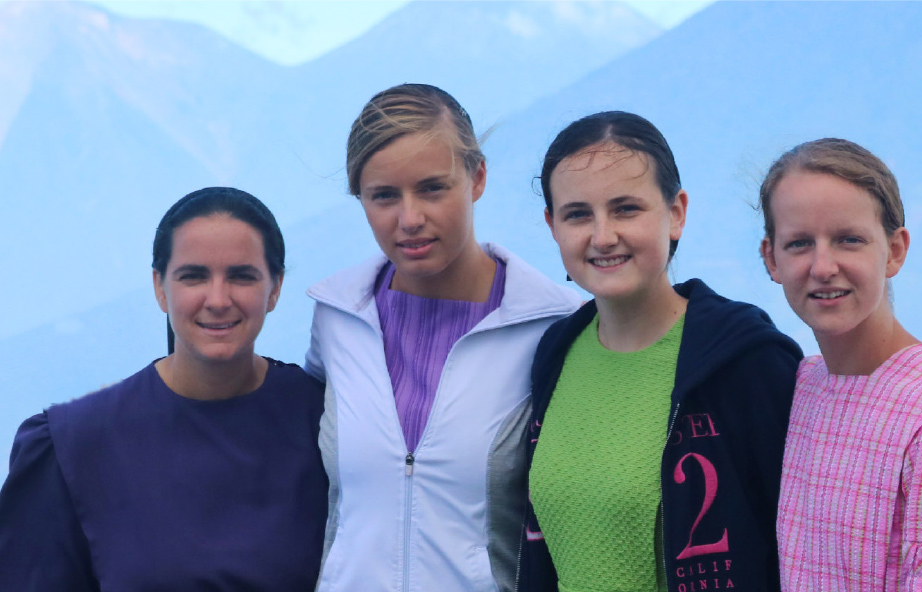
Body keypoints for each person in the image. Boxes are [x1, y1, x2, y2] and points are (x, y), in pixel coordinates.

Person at [306, 83, 581, 592]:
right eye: (383, 195)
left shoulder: (556, 327)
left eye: (432, 188)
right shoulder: (336, 318)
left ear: (477, 178)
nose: (409, 219)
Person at [518, 111, 803, 592]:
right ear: (552, 225)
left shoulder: (746, 362)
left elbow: (798, 549)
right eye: (578, 214)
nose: (603, 235)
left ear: (676, 212)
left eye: (626, 208)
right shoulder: (555, 353)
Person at [0, 187, 328, 591]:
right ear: (160, 287)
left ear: (275, 287)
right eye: (194, 276)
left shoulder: (325, 424)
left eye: (242, 276)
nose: (218, 299)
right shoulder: (73, 443)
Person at [758, 138, 922, 590]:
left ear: (895, 250)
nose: (823, 266)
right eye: (799, 243)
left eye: (849, 240)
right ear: (771, 258)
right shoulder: (802, 386)